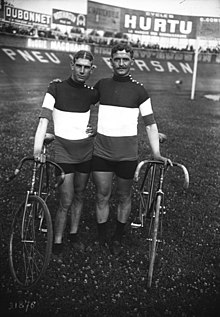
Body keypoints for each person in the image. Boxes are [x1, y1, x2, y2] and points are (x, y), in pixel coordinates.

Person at [92, 43, 172, 256]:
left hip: (127, 155)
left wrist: (156, 153)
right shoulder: (101, 85)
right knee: (102, 195)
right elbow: (79, 100)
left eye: (125, 59)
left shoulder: (139, 90)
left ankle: (118, 235)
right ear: (111, 61)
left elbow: (150, 123)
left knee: (124, 196)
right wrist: (60, 86)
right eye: (117, 59)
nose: (121, 63)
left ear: (131, 62)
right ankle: (102, 236)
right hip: (101, 152)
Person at [33, 50, 99, 256]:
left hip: (86, 151)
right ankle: (58, 241)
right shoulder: (55, 88)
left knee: (80, 195)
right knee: (66, 199)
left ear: (91, 69)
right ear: (72, 64)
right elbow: (43, 119)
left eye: (86, 67)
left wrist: (96, 128)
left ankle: (73, 235)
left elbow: (111, 113)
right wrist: (37, 149)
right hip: (64, 152)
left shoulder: (92, 93)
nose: (82, 70)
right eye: (78, 65)